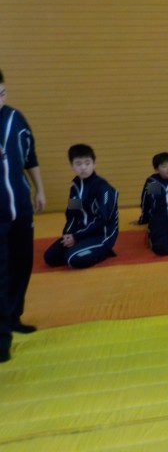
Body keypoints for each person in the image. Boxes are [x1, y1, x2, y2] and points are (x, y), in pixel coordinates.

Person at [1, 69, 46, 363]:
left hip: (20, 206)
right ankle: (2, 336)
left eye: (2, 94)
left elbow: (30, 158)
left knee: (22, 262)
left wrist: (39, 189)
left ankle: (13, 316)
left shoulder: (16, 119)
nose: (0, 100)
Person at [43, 144, 119, 269]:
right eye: (78, 164)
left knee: (73, 259)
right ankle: (81, 247)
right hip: (81, 234)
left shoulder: (105, 189)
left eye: (87, 163)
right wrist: (68, 234)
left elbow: (102, 219)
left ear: (94, 164)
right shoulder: (75, 188)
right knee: (50, 257)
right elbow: (72, 214)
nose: (83, 167)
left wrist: (76, 237)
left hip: (101, 235)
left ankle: (105, 251)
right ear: (72, 165)